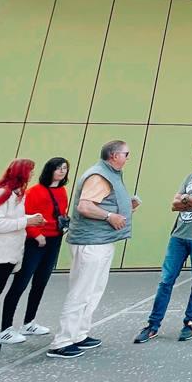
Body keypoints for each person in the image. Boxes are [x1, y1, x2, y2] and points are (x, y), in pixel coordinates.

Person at [48, 140, 140, 359]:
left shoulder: (110, 175)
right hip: (91, 243)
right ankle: (62, 341)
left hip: (102, 241)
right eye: (126, 153)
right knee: (81, 291)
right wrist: (110, 216)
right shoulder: (99, 176)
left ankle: (79, 334)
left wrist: (126, 207)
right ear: (114, 156)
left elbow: (104, 203)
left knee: (93, 290)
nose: (128, 157)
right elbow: (85, 206)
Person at [134, 140, 192, 344]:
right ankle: (153, 325)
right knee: (166, 280)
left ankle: (190, 322)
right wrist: (190, 198)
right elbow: (174, 204)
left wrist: (186, 199)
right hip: (179, 235)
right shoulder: (190, 177)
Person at [0, 157, 68, 344]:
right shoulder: (34, 192)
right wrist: (37, 234)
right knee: (20, 283)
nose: (62, 171)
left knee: (41, 282)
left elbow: (61, 213)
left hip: (54, 239)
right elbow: (25, 215)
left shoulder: (62, 191)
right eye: (58, 168)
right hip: (35, 242)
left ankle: (29, 322)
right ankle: (6, 327)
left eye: (64, 168)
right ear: (49, 170)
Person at [0, 160, 44, 354]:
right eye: (31, 171)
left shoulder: (15, 193)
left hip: (5, 255)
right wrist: (26, 221)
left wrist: (28, 219)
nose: (33, 175)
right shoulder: (4, 193)